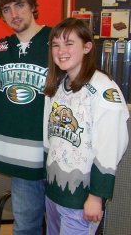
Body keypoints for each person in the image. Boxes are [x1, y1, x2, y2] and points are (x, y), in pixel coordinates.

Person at [43, 17, 129, 235]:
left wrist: (97, 195)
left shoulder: (103, 89)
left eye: (69, 43)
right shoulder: (58, 86)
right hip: (54, 192)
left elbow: (110, 146)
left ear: (87, 47)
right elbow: (51, 140)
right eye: (56, 44)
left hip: (82, 199)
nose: (61, 50)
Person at [0, 0, 50, 234]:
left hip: (58, 151)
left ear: (32, 5)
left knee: (61, 222)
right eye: (7, 9)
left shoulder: (57, 40)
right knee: (26, 225)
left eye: (20, 5)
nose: (14, 14)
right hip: (22, 155)